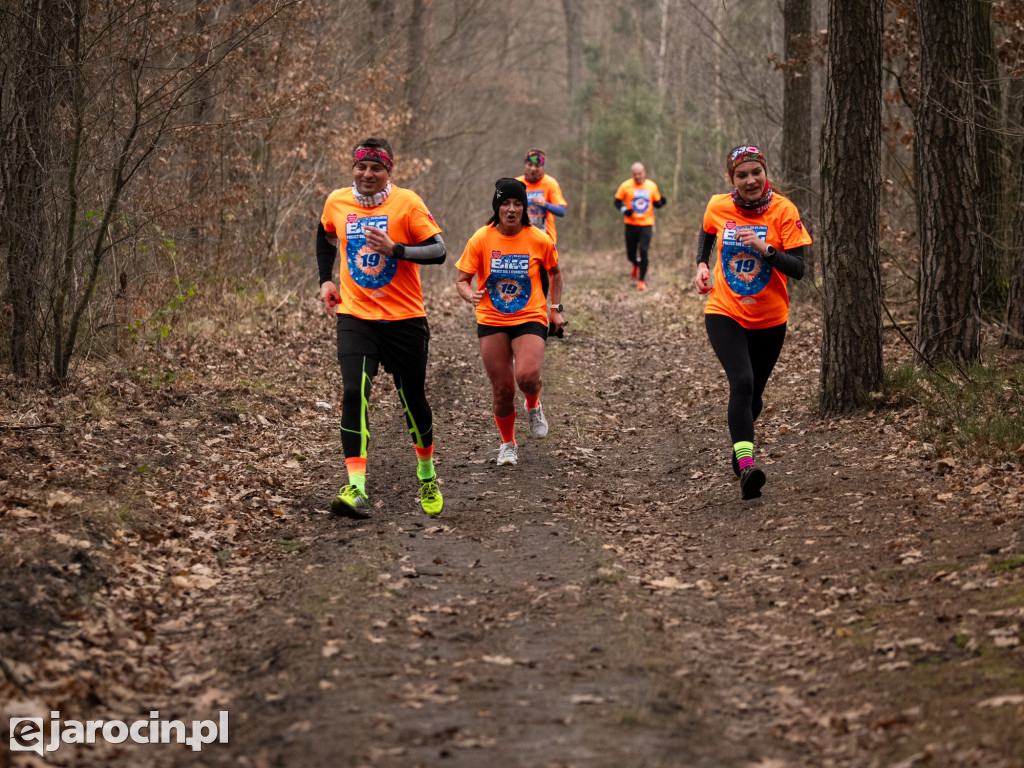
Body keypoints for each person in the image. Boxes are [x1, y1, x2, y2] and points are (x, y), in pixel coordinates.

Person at [317, 137, 447, 518]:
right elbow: (325, 234)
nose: (368, 174)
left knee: (413, 400)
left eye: (376, 167)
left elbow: (438, 250)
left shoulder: (407, 203)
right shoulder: (337, 201)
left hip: (405, 320)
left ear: (389, 169)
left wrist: (397, 250)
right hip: (356, 317)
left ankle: (426, 472)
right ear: (353, 168)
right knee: (353, 392)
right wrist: (326, 279)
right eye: (361, 167)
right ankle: (356, 487)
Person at [693, 145, 810, 500]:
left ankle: (739, 446)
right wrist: (701, 264)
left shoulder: (784, 210)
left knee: (753, 397)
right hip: (725, 311)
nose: (750, 180)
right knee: (741, 382)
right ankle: (747, 467)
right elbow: (707, 232)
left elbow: (800, 269)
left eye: (755, 172)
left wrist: (765, 249)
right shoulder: (718, 205)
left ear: (765, 173)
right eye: (741, 175)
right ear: (732, 180)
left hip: (771, 318)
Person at [455, 178, 565, 466]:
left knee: (527, 376)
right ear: (497, 206)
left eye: (517, 204)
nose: (512, 209)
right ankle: (508, 444)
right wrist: (470, 295)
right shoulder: (481, 238)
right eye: (506, 203)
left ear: (525, 208)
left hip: (529, 315)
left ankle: (533, 404)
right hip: (492, 318)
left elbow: (554, 273)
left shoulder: (539, 238)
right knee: (502, 389)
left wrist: (555, 309)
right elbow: (462, 280)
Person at [614, 162, 666, 291]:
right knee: (631, 254)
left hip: (646, 224)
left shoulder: (651, 186)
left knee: (644, 250)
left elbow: (657, 203)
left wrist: (662, 203)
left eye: (640, 174)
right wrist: (624, 210)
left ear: (644, 173)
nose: (637, 176)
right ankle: (635, 265)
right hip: (630, 224)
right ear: (632, 174)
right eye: (635, 174)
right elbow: (616, 202)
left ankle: (641, 280)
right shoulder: (625, 186)